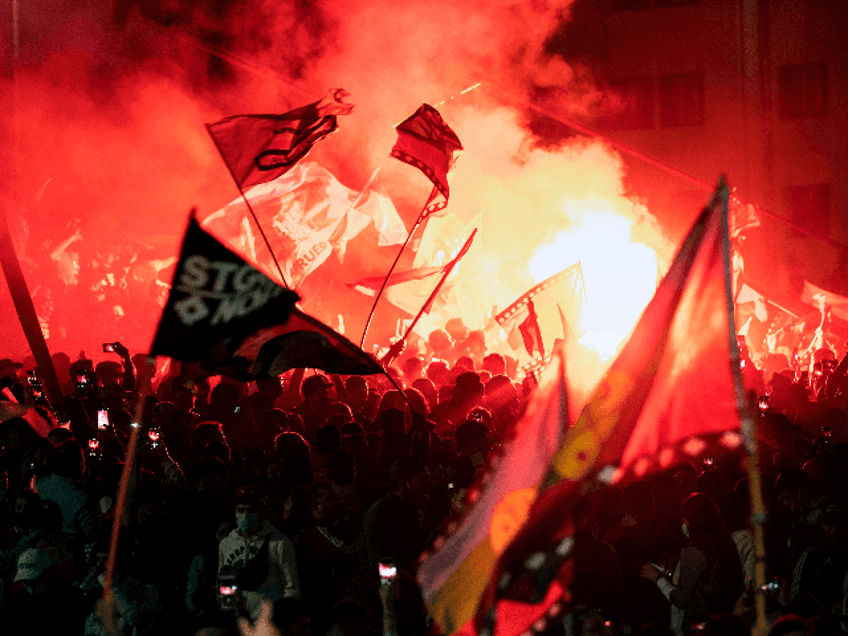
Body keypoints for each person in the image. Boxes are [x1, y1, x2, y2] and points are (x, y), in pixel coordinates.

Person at [641, 492, 743, 635]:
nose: (682, 525)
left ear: (694, 521)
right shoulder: (726, 545)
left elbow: (682, 599)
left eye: (684, 520)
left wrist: (658, 579)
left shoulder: (694, 550)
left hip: (696, 628)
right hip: (724, 626)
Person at [218, 486, 300, 620]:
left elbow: (291, 587)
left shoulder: (279, 543)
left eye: (251, 510)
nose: (245, 515)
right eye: (240, 510)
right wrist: (230, 610)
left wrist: (285, 618)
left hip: (270, 619)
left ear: (263, 512)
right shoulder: (227, 544)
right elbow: (225, 581)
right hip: (240, 619)